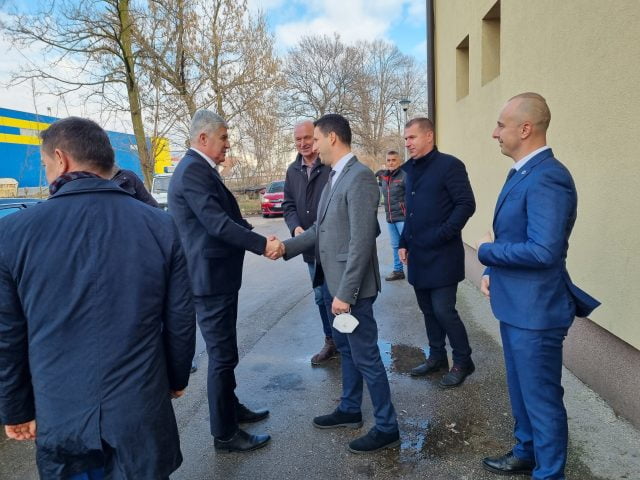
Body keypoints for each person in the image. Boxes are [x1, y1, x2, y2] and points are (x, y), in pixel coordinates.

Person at [0, 117, 196, 479]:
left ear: (61, 159)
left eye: (45, 164)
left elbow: (8, 335)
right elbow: (180, 318)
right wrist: (175, 377)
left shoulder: (12, 233)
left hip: (63, 418)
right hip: (140, 410)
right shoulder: (159, 225)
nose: (46, 173)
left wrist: (16, 408)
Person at [478, 93, 600, 479]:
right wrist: (492, 271)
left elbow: (543, 250)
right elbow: (515, 234)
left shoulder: (549, 176)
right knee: (521, 392)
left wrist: (487, 252)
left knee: (541, 399)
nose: (495, 133)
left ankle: (549, 473)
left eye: (501, 125)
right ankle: (526, 452)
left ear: (525, 129)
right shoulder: (522, 173)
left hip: (537, 312)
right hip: (515, 306)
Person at [280, 114, 400, 454]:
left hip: (352, 290)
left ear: (332, 138)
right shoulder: (335, 176)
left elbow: (361, 241)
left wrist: (345, 294)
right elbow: (319, 230)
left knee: (367, 356)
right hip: (335, 283)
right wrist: (284, 248)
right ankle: (349, 408)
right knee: (347, 350)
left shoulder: (359, 177)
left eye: (316, 139)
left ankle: (387, 426)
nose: (313, 146)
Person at [168, 109, 283, 453]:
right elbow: (217, 224)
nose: (228, 144)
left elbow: (228, 217)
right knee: (221, 357)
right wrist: (262, 244)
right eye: (224, 137)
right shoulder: (192, 171)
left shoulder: (200, 169)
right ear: (203, 138)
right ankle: (225, 433)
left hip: (217, 278)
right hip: (208, 281)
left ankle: (231, 409)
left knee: (226, 353)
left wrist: (258, 236)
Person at [399, 117, 476, 388]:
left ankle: (463, 361)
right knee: (428, 310)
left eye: (412, 137)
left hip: (443, 255)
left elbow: (466, 204)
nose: (407, 143)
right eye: (406, 138)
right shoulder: (410, 171)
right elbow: (411, 212)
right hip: (418, 255)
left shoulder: (449, 166)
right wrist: (403, 242)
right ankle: (437, 357)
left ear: (429, 136)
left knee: (444, 311)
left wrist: (443, 233)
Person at [282, 120, 334, 365]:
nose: (303, 143)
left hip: (333, 247)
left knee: (339, 296)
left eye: (307, 138)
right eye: (298, 139)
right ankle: (331, 341)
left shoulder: (330, 165)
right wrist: (295, 228)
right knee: (320, 297)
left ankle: (347, 341)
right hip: (309, 249)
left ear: (317, 137)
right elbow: (288, 205)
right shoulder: (293, 170)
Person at [378, 150, 407, 281]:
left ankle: (418, 270)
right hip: (390, 217)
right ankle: (398, 271)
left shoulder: (405, 176)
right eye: (388, 160)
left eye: (393, 160)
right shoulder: (384, 177)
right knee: (395, 245)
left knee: (409, 245)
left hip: (403, 217)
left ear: (399, 161)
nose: (391, 163)